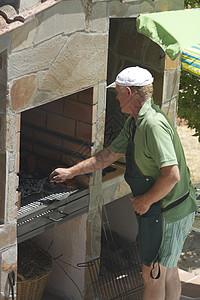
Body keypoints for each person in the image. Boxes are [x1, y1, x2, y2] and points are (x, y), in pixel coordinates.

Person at [50, 66, 198, 300]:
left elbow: (172, 176)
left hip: (168, 212)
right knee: (166, 274)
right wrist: (71, 172)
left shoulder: (152, 125)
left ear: (128, 92)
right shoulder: (135, 123)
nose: (116, 96)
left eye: (117, 92)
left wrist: (145, 201)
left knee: (153, 277)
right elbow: (106, 156)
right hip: (169, 209)